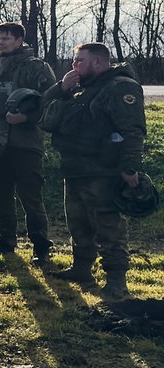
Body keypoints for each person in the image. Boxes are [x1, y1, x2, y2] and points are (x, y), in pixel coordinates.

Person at [39, 42, 146, 300]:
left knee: (109, 228)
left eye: (79, 61)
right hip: (75, 168)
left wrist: (130, 168)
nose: (74, 66)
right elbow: (43, 110)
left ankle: (116, 281)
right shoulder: (78, 89)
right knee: (78, 224)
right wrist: (61, 88)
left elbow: (133, 132)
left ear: (98, 62)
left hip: (103, 172)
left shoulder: (120, 87)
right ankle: (82, 269)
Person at [0, 22, 56, 261]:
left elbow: (51, 103)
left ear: (20, 40)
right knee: (0, 196)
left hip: (24, 144)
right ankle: (5, 241)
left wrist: (26, 117)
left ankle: (41, 246)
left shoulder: (36, 68)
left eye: (6, 39)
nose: (1, 43)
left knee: (31, 198)